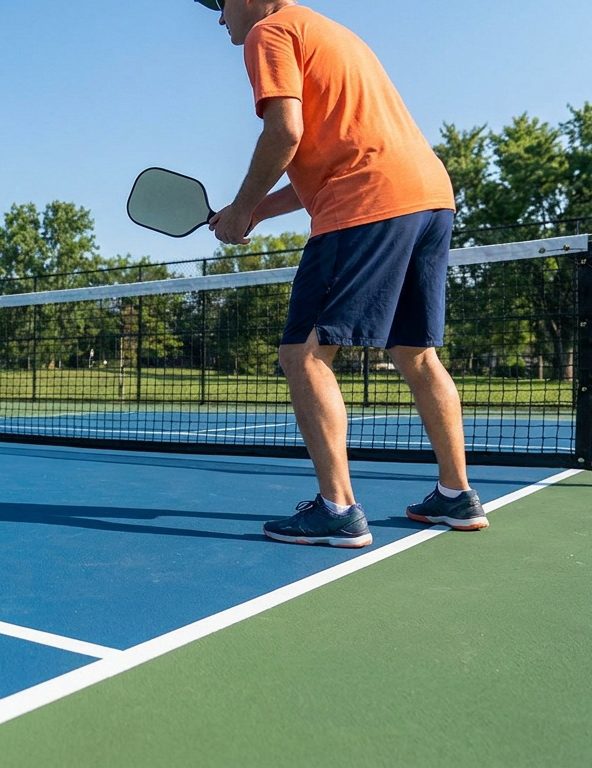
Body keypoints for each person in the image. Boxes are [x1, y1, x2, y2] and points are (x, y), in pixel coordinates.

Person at [192, 0, 487, 547]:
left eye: (220, 2)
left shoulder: (270, 30)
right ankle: (456, 495)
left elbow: (284, 134)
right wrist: (252, 211)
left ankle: (338, 509)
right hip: (428, 197)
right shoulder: (331, 32)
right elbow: (324, 157)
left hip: (366, 204)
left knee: (301, 354)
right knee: (416, 352)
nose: (219, 17)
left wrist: (238, 206)